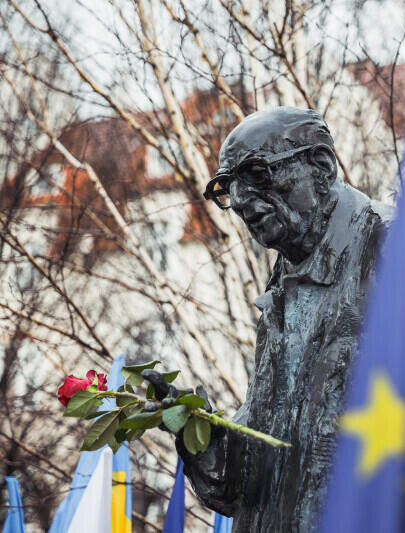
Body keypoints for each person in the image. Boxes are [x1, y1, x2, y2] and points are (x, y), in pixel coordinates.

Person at [149, 107, 391, 533]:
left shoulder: (395, 246)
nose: (240, 201)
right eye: (229, 187)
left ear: (320, 166)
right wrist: (199, 431)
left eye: (257, 174)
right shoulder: (281, 289)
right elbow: (251, 477)